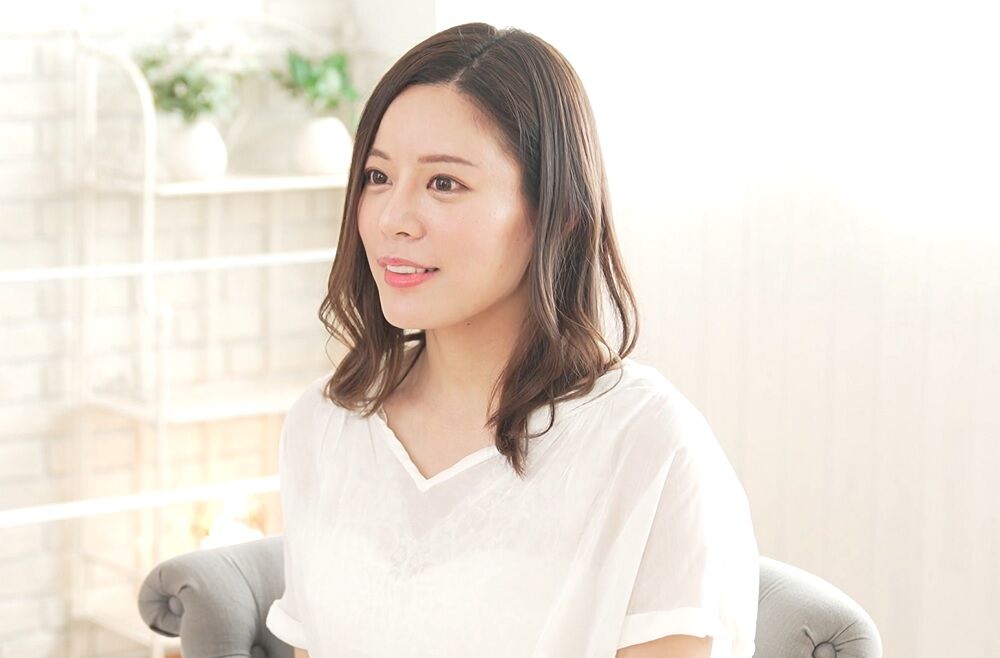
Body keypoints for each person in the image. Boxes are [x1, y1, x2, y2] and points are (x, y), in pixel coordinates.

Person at [265, 22, 759, 658]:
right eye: (378, 176)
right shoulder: (324, 425)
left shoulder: (649, 445)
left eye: (444, 183)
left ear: (559, 212)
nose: (392, 219)